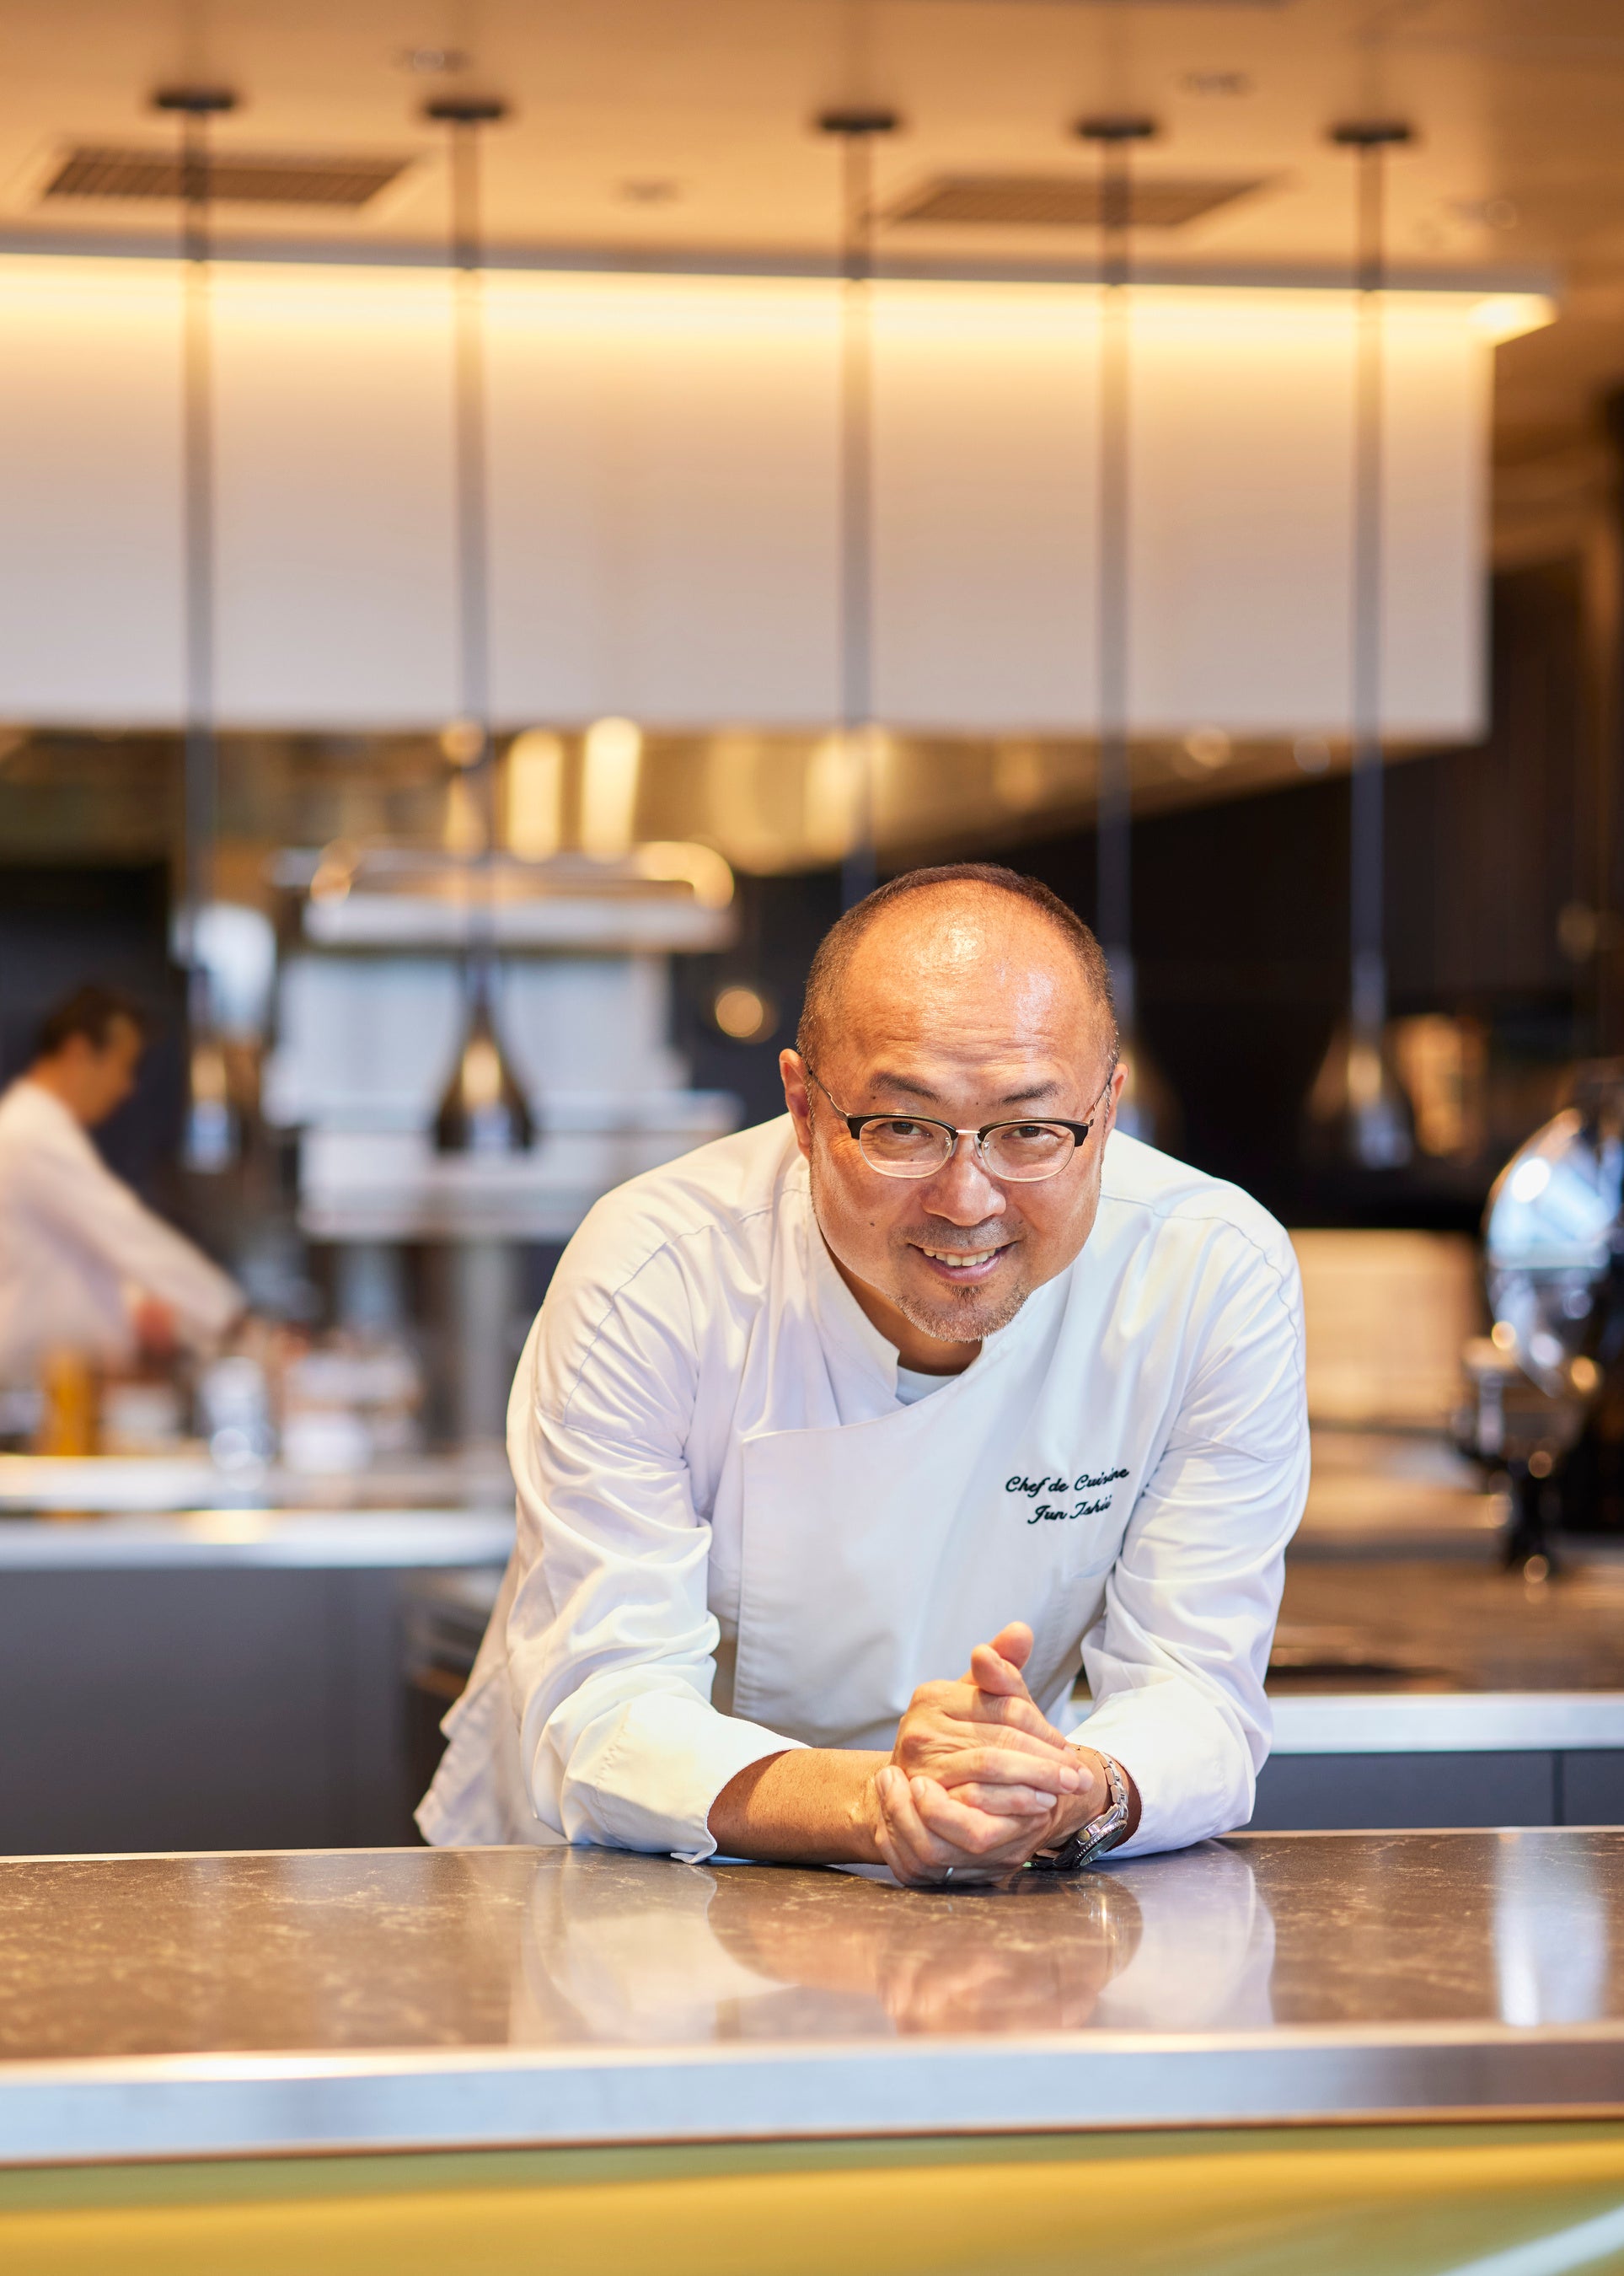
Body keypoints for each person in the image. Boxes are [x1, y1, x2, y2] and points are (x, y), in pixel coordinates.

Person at [420, 865, 1309, 1887]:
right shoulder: (656, 1272)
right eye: (902, 1128)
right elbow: (606, 1712)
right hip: (621, 1890)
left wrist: (1073, 1789)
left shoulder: (1208, 1274)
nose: (967, 1200)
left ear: (1106, 1113)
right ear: (803, 1110)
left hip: (994, 1891)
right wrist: (885, 1802)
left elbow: (1197, 1692)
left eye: (1029, 1130)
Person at [0, 985, 243, 1387]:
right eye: (123, 1066)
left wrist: (137, 1302)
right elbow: (123, 1230)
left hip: (52, 1379)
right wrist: (231, 1316)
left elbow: (80, 1254)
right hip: (27, 1385)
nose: (126, 1086)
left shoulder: (40, 1128)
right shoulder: (31, 1132)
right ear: (79, 1053)